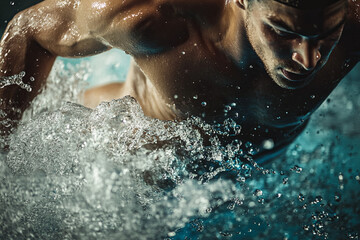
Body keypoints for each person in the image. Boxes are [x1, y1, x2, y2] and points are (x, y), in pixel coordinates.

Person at [0, 0, 359, 162]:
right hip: (132, 176)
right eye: (281, 31)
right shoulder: (152, 17)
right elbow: (29, 30)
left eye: (328, 34)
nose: (309, 59)